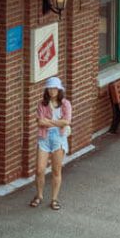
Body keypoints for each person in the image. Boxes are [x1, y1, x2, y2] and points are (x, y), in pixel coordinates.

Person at [30, 76, 72, 211]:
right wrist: (56, 122)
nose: (52, 91)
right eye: (50, 88)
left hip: (58, 138)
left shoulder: (65, 104)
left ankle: (54, 199)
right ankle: (39, 195)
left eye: (55, 88)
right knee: (39, 169)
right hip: (44, 137)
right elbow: (40, 122)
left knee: (56, 170)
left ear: (59, 90)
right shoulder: (41, 104)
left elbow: (66, 121)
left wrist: (49, 122)